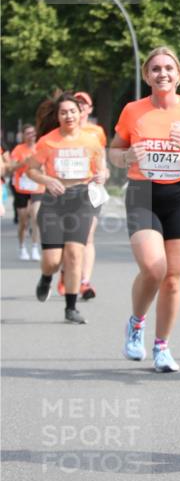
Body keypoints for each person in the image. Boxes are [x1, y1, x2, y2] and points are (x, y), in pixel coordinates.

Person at [109, 46, 180, 373]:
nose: (162, 74)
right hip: (143, 192)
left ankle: (161, 347)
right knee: (154, 269)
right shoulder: (133, 111)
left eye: (169, 68)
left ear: (179, 75)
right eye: (155, 69)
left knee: (172, 279)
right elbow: (114, 151)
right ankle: (136, 323)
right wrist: (126, 157)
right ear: (146, 76)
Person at [26, 93, 106, 324]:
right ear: (58, 116)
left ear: (80, 113)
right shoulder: (48, 141)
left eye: (73, 111)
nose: (69, 115)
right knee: (52, 260)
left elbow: (102, 170)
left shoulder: (91, 140)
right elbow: (31, 170)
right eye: (64, 112)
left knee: (74, 253)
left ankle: (70, 308)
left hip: (81, 200)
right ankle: (45, 277)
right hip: (54, 201)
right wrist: (47, 180)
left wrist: (102, 175)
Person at [55, 91, 108, 300]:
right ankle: (65, 273)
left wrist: (103, 173)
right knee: (67, 241)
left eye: (85, 104)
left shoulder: (97, 132)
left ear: (89, 109)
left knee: (87, 237)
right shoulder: (61, 131)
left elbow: (101, 160)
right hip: (65, 193)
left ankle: (84, 282)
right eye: (78, 104)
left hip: (91, 191)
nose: (82, 108)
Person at [9, 124, 44, 261]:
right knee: (23, 221)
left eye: (33, 133)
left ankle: (35, 248)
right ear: (23, 136)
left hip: (37, 187)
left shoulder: (40, 148)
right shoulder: (18, 150)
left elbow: (46, 164)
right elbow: (11, 168)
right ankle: (22, 247)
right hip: (22, 188)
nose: (31, 135)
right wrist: (23, 162)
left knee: (36, 217)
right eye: (28, 133)